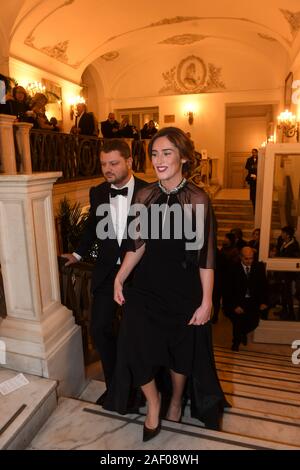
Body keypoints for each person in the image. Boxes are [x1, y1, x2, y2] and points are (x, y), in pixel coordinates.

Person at [106, 127, 227, 442]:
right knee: (133, 342)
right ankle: (154, 401)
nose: (159, 160)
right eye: (155, 153)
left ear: (184, 157)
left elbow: (206, 255)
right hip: (146, 286)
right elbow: (139, 244)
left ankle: (175, 399)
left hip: (184, 288)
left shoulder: (198, 199)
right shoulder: (145, 195)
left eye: (167, 153)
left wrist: (207, 301)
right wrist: (120, 276)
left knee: (180, 351)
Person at [61, 139, 148, 406]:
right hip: (107, 271)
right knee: (99, 328)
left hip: (140, 274)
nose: (107, 169)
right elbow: (92, 229)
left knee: (138, 335)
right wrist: (77, 254)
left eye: (114, 163)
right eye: (103, 164)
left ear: (129, 162)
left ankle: (141, 389)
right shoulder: (98, 192)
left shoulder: (150, 191)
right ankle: (115, 387)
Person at [226, 246, 268, 351]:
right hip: (238, 300)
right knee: (237, 322)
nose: (249, 261)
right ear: (240, 257)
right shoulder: (232, 268)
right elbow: (227, 289)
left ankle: (243, 333)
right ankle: (236, 342)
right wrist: (235, 305)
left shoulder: (259, 267)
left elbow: (263, 285)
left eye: (251, 258)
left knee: (254, 323)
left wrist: (263, 301)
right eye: (246, 258)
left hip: (253, 300)